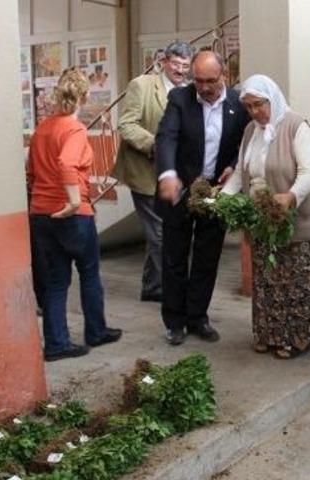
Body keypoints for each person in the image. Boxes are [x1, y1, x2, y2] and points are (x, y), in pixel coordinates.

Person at [220, 74, 310, 359]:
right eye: (249, 107)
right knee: (267, 280)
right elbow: (242, 175)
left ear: (273, 99)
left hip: (296, 218)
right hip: (263, 220)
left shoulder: (296, 127)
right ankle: (269, 334)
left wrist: (291, 196)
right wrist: (220, 199)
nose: (255, 112)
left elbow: (309, 172)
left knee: (296, 279)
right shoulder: (250, 132)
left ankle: (299, 337)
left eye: (259, 105)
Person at [155, 51, 250, 346]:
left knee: (207, 257)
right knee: (174, 258)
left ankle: (198, 317)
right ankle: (174, 321)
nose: (204, 87)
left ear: (224, 76)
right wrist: (168, 173)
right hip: (181, 188)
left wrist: (233, 166)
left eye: (211, 81)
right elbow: (166, 137)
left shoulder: (237, 103)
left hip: (215, 191)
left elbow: (244, 143)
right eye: (198, 80)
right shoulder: (180, 99)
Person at [27, 67, 122, 362]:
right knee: (89, 272)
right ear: (84, 95)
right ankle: (96, 330)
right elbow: (68, 164)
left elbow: (30, 172)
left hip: (41, 214)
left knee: (56, 280)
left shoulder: (42, 128)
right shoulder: (75, 129)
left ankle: (56, 344)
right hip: (72, 214)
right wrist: (70, 201)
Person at [115, 41, 193, 304]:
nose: (180, 70)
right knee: (161, 233)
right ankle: (170, 289)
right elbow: (126, 125)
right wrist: (156, 145)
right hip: (145, 172)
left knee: (160, 232)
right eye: (175, 64)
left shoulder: (189, 92)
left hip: (175, 174)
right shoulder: (142, 85)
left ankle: (151, 286)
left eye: (185, 65)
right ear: (163, 62)